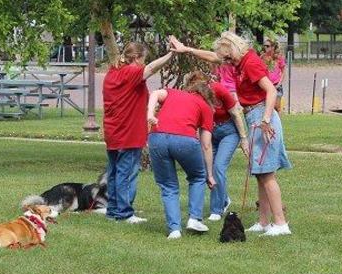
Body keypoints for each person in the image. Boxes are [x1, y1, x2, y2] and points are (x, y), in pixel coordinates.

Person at [168, 32, 292, 236]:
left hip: (262, 116)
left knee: (267, 173)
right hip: (253, 116)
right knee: (260, 174)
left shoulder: (250, 62)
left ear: (234, 49)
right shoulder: (239, 62)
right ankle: (263, 222)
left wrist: (266, 120)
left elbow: (271, 90)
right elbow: (213, 57)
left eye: (227, 57)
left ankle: (280, 224)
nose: (225, 62)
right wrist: (187, 49)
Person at [103, 42, 174, 223]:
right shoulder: (130, 72)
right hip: (129, 132)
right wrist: (170, 55)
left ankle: (112, 210)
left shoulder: (112, 73)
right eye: (143, 58)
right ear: (136, 58)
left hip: (113, 131)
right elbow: (151, 68)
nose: (144, 62)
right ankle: (124, 213)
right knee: (126, 173)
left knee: (113, 172)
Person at [146, 74, 216, 239]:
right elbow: (206, 144)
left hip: (157, 137)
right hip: (184, 139)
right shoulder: (206, 107)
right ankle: (194, 219)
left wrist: (150, 114)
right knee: (198, 176)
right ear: (208, 97)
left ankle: (174, 230)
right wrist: (210, 174)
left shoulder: (174, 93)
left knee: (168, 185)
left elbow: (154, 93)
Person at [199, 70, 249, 222]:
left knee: (218, 167)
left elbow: (235, 114)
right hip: (210, 132)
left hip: (229, 131)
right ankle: (224, 198)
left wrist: (243, 138)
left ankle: (216, 209)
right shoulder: (197, 95)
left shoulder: (219, 90)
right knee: (207, 168)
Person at [260, 36, 286, 111]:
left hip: (276, 85)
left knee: (276, 107)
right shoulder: (262, 57)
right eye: (264, 46)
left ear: (273, 47)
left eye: (267, 46)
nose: (265, 48)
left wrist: (279, 83)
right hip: (266, 85)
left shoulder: (278, 57)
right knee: (266, 107)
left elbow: (283, 71)